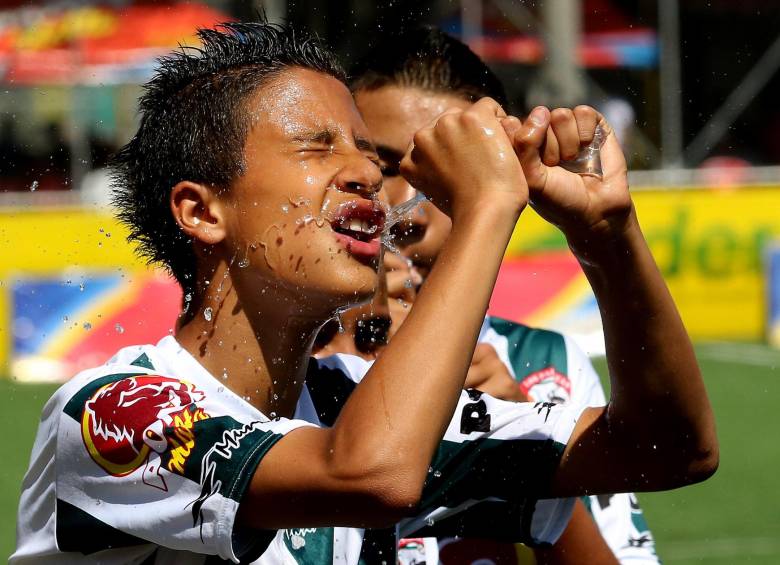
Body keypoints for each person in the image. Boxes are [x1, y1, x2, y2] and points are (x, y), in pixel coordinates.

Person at [12, 21, 717, 564]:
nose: (370, 176)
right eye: (319, 148)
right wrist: (487, 207)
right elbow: (370, 473)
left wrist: (607, 235)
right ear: (202, 211)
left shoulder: (358, 398)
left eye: (364, 151)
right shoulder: (117, 410)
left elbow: (669, 448)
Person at [346, 27, 663, 564]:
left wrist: (523, 444)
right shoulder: (281, 358)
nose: (411, 212)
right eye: (383, 167)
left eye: (449, 178)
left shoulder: (550, 372)